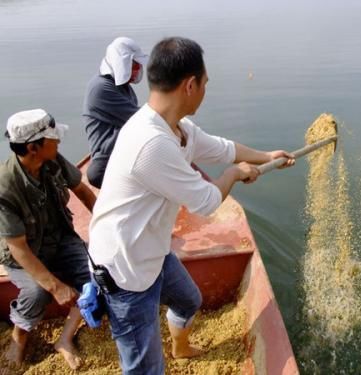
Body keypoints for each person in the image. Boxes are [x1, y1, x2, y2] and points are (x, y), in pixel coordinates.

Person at [88, 36, 295, 374]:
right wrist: (234, 174)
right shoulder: (151, 143)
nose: (205, 90)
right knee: (144, 368)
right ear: (189, 85)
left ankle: (180, 347)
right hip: (125, 270)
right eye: (205, 83)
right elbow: (207, 201)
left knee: (188, 299)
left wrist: (266, 156)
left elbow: (222, 148)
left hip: (149, 251)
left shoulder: (176, 127)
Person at [0, 109, 96, 370]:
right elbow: (18, 248)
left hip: (60, 238)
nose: (59, 142)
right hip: (25, 253)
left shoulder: (52, 160)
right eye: (53, 138)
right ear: (33, 147)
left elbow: (83, 192)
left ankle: (65, 339)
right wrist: (55, 286)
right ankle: (19, 338)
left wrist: (107, 230)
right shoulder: (5, 187)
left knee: (96, 275)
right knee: (37, 292)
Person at [82, 37, 148, 188]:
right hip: (107, 160)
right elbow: (140, 120)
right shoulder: (101, 88)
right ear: (122, 63)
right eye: (135, 65)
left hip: (124, 151)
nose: (138, 70)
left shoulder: (123, 87)